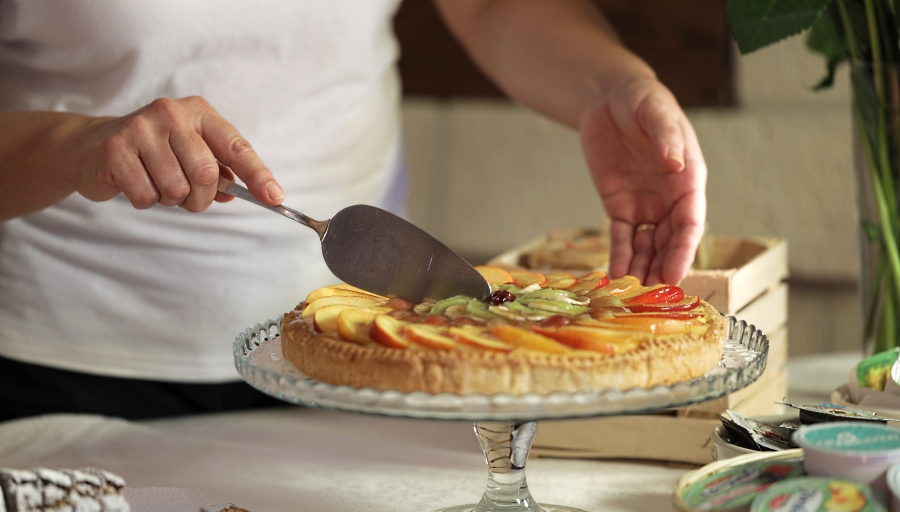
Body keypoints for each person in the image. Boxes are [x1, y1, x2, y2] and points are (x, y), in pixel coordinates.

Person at [0, 0, 706, 421]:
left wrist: (613, 84)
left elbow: (495, 7)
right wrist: (73, 144)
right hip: (59, 377)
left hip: (364, 362)